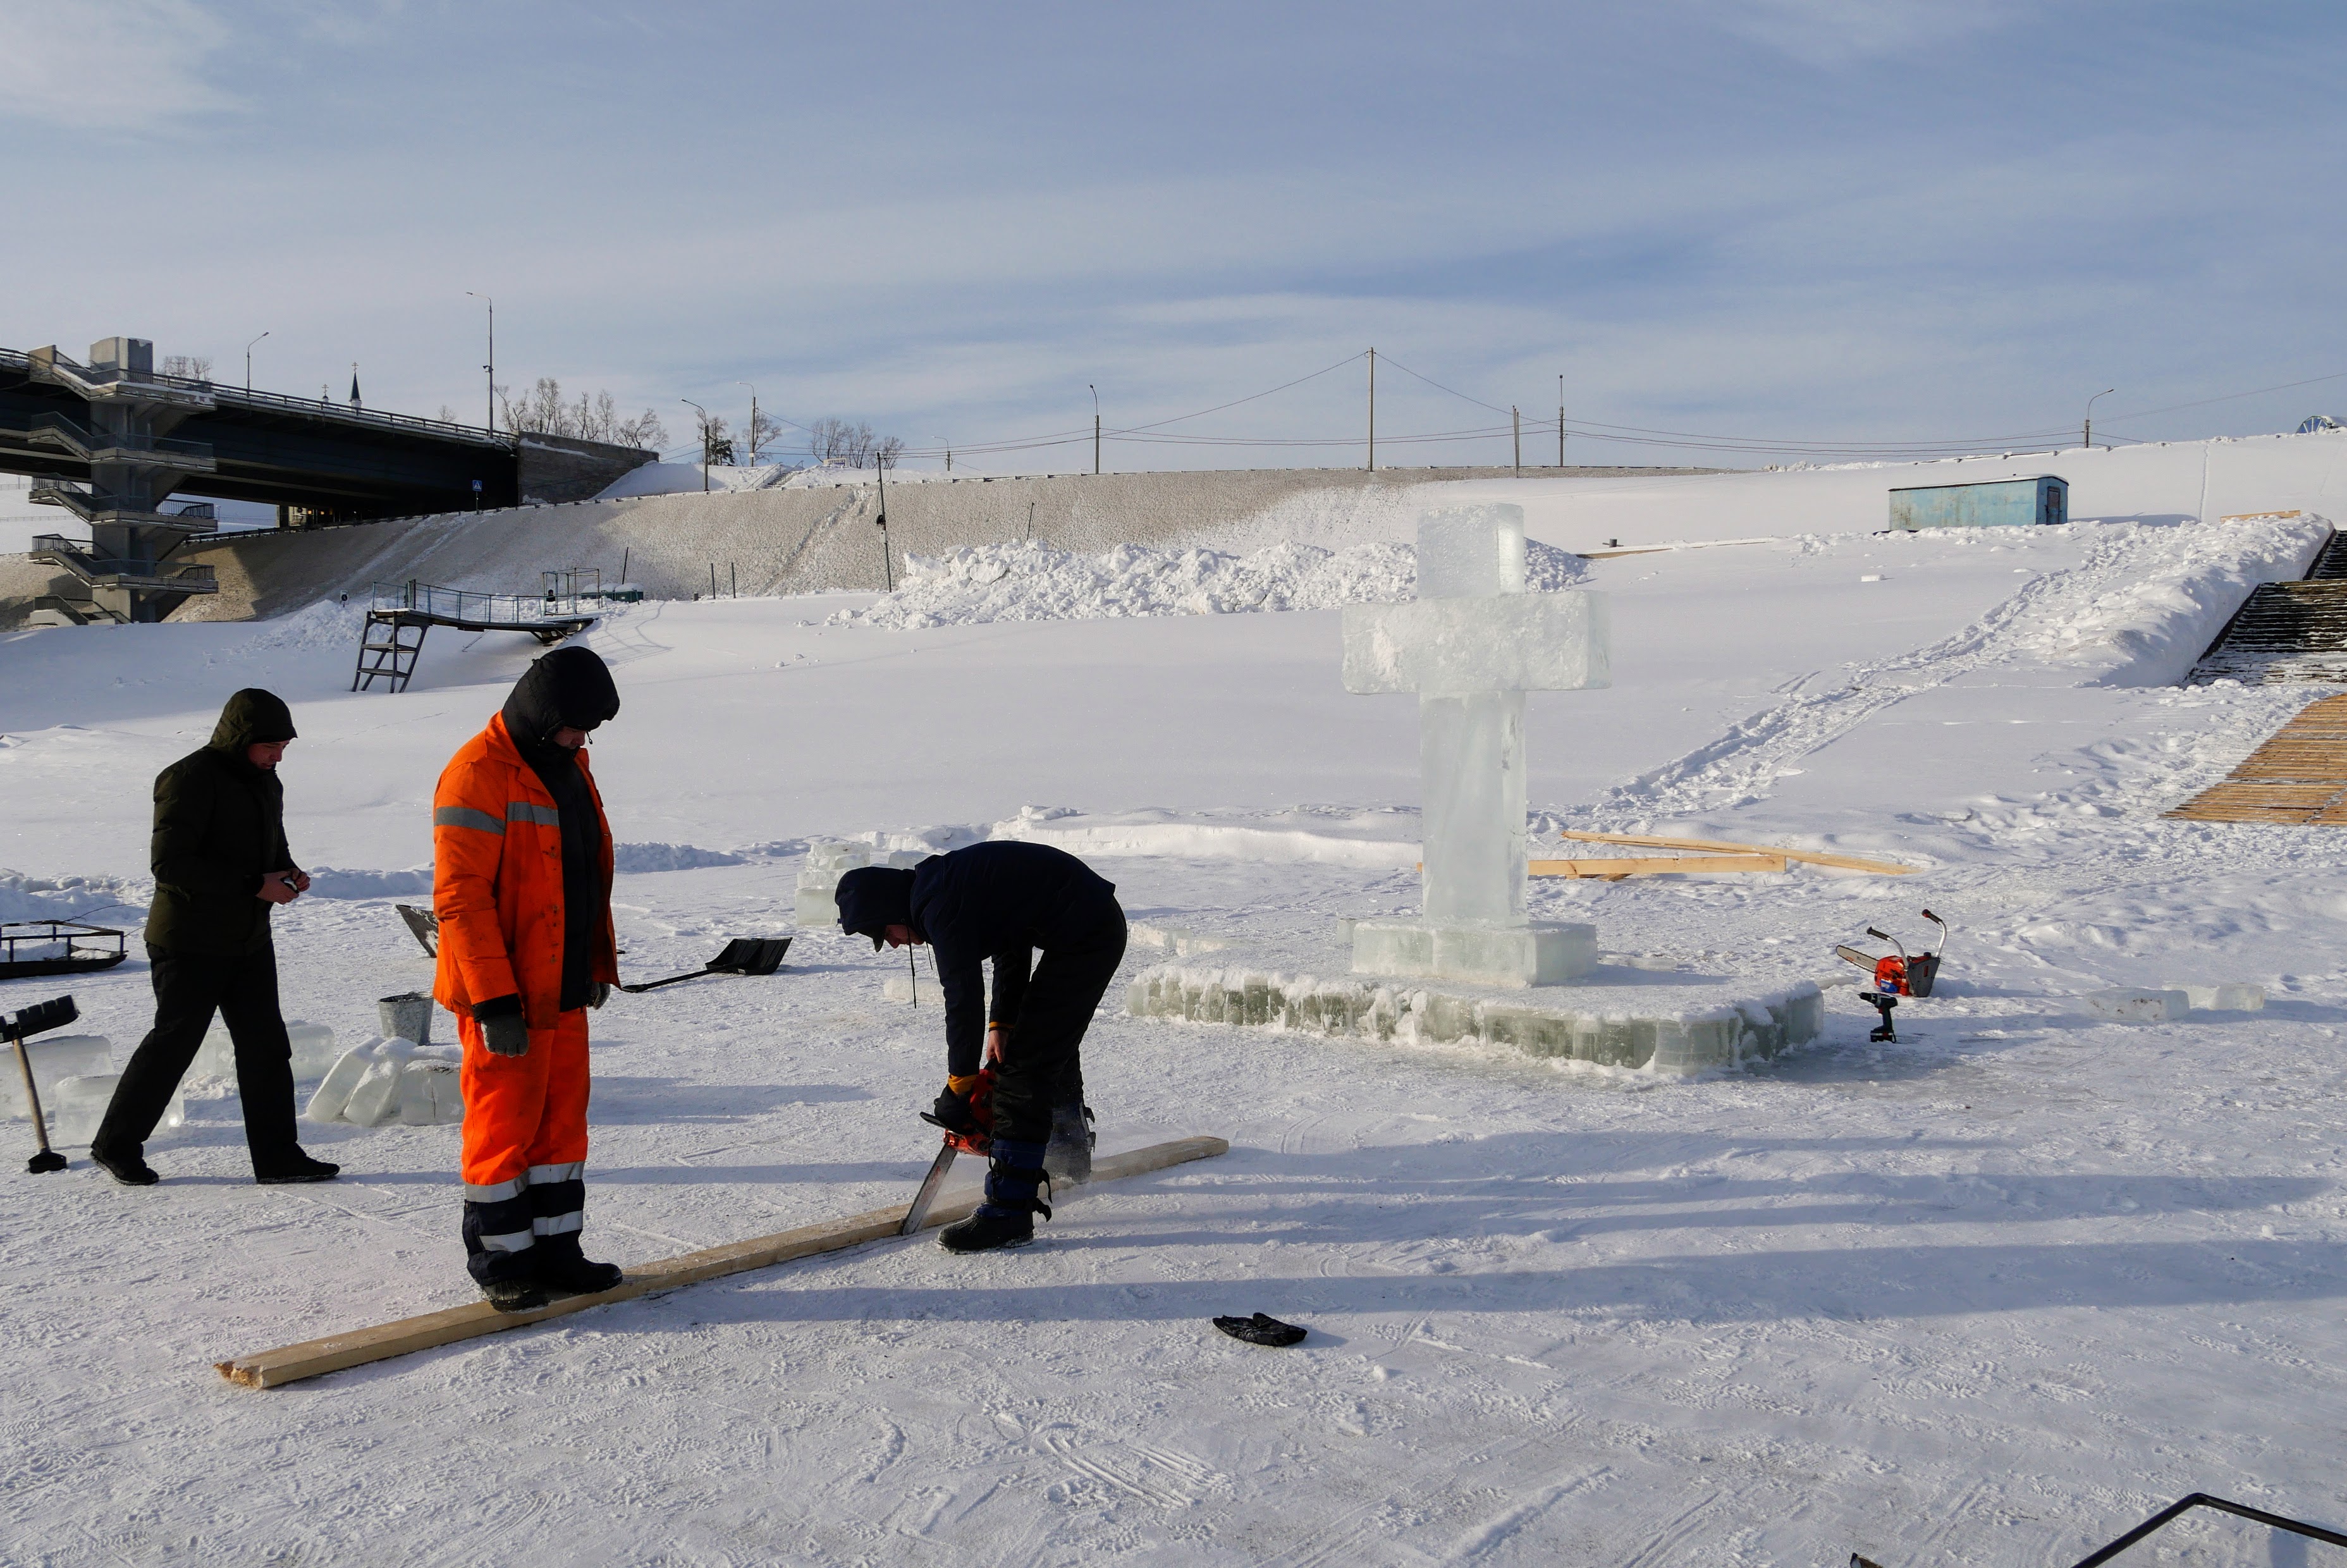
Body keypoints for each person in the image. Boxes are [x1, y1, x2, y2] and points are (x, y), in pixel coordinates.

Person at [432, 647, 624, 1312]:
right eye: (575, 727)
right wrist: (494, 1002)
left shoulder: (569, 764)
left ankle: (558, 1250)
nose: (582, 740)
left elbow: (580, 870)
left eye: (589, 730)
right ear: (543, 716)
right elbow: (460, 898)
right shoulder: (477, 774)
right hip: (506, 995)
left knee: (560, 1130)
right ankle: (503, 1261)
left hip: (563, 982)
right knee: (503, 1129)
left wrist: (594, 962)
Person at [92, 689, 339, 1187]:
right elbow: (170, 865)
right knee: (175, 1044)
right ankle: (115, 1145)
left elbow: (271, 840)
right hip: (188, 940)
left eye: (284, 747)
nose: (278, 756)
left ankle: (278, 1158)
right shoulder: (188, 779)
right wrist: (254, 884)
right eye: (270, 746)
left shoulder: (266, 780)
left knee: (267, 1048)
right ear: (240, 738)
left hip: (247, 938)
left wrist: (286, 870)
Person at [836, 841, 1126, 1253]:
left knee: (1023, 1072)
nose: (896, 944)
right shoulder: (941, 887)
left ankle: (1009, 1213)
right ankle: (1067, 1147)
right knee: (1041, 1041)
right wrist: (1002, 1023)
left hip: (1089, 935)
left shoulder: (939, 905)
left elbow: (962, 1000)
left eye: (886, 933)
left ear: (889, 910)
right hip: (1084, 925)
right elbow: (1012, 941)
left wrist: (960, 1085)